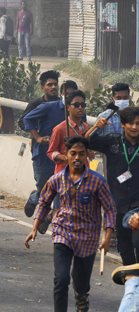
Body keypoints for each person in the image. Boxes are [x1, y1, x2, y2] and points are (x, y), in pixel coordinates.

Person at [25, 136, 114, 312]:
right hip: (63, 234)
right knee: (61, 279)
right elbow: (44, 202)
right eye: (73, 153)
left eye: (81, 154)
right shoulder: (56, 180)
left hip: (88, 238)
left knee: (80, 282)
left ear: (87, 156)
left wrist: (107, 236)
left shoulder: (97, 182)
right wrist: (35, 227)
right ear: (66, 155)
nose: (76, 158)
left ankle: (81, 294)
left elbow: (109, 209)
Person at [24, 79, 80, 228]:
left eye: (72, 96)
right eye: (66, 95)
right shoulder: (48, 107)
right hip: (44, 157)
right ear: (62, 95)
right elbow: (26, 119)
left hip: (65, 163)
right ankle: (33, 199)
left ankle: (51, 218)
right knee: (44, 190)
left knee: (61, 193)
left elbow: (83, 134)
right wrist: (38, 138)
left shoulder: (80, 113)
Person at [88, 106, 139, 267]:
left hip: (138, 204)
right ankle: (132, 278)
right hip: (117, 203)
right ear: (123, 124)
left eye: (138, 123)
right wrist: (97, 126)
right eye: (130, 123)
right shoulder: (112, 141)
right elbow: (86, 141)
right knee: (124, 246)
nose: (134, 127)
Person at [47, 90, 90, 174]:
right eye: (76, 105)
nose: (80, 108)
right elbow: (51, 152)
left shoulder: (86, 127)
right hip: (65, 172)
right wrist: (63, 157)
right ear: (68, 107)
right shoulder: (60, 128)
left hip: (83, 171)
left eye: (83, 105)